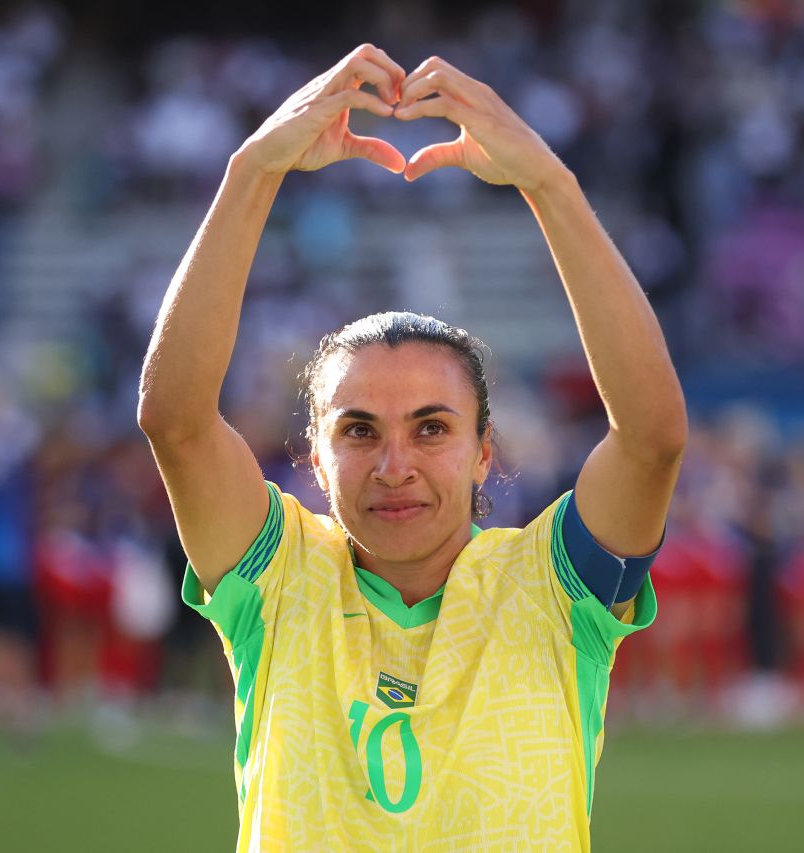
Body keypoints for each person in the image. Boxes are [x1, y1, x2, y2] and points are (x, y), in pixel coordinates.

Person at [138, 45, 686, 850]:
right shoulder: (281, 581)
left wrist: (550, 186)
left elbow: (651, 438)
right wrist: (253, 169)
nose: (395, 465)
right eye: (358, 430)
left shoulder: (552, 591)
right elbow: (176, 422)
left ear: (484, 451)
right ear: (317, 458)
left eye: (432, 427)